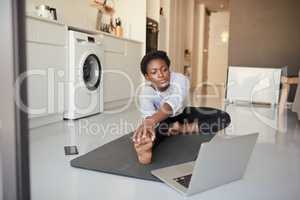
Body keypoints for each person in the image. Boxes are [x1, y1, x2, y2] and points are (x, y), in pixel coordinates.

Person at [133, 50, 231, 164]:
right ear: (147, 76)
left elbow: (173, 102)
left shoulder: (180, 79)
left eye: (164, 70)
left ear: (169, 70)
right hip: (162, 121)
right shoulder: (145, 93)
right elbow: (149, 117)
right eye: (154, 72)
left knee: (223, 117)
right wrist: (149, 126)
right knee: (151, 133)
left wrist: (152, 121)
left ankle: (181, 128)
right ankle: (145, 152)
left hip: (183, 114)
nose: (161, 75)